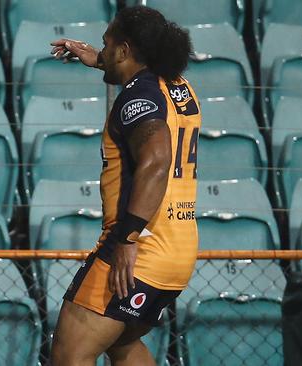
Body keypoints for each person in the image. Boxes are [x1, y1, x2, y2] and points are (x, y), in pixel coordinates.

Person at [49, 6, 200, 365]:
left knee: (69, 354)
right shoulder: (178, 86)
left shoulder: (137, 97)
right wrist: (97, 58)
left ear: (125, 49)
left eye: (107, 45)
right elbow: (140, 78)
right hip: (177, 252)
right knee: (121, 344)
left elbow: (157, 161)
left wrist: (128, 238)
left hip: (139, 251)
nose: (102, 52)